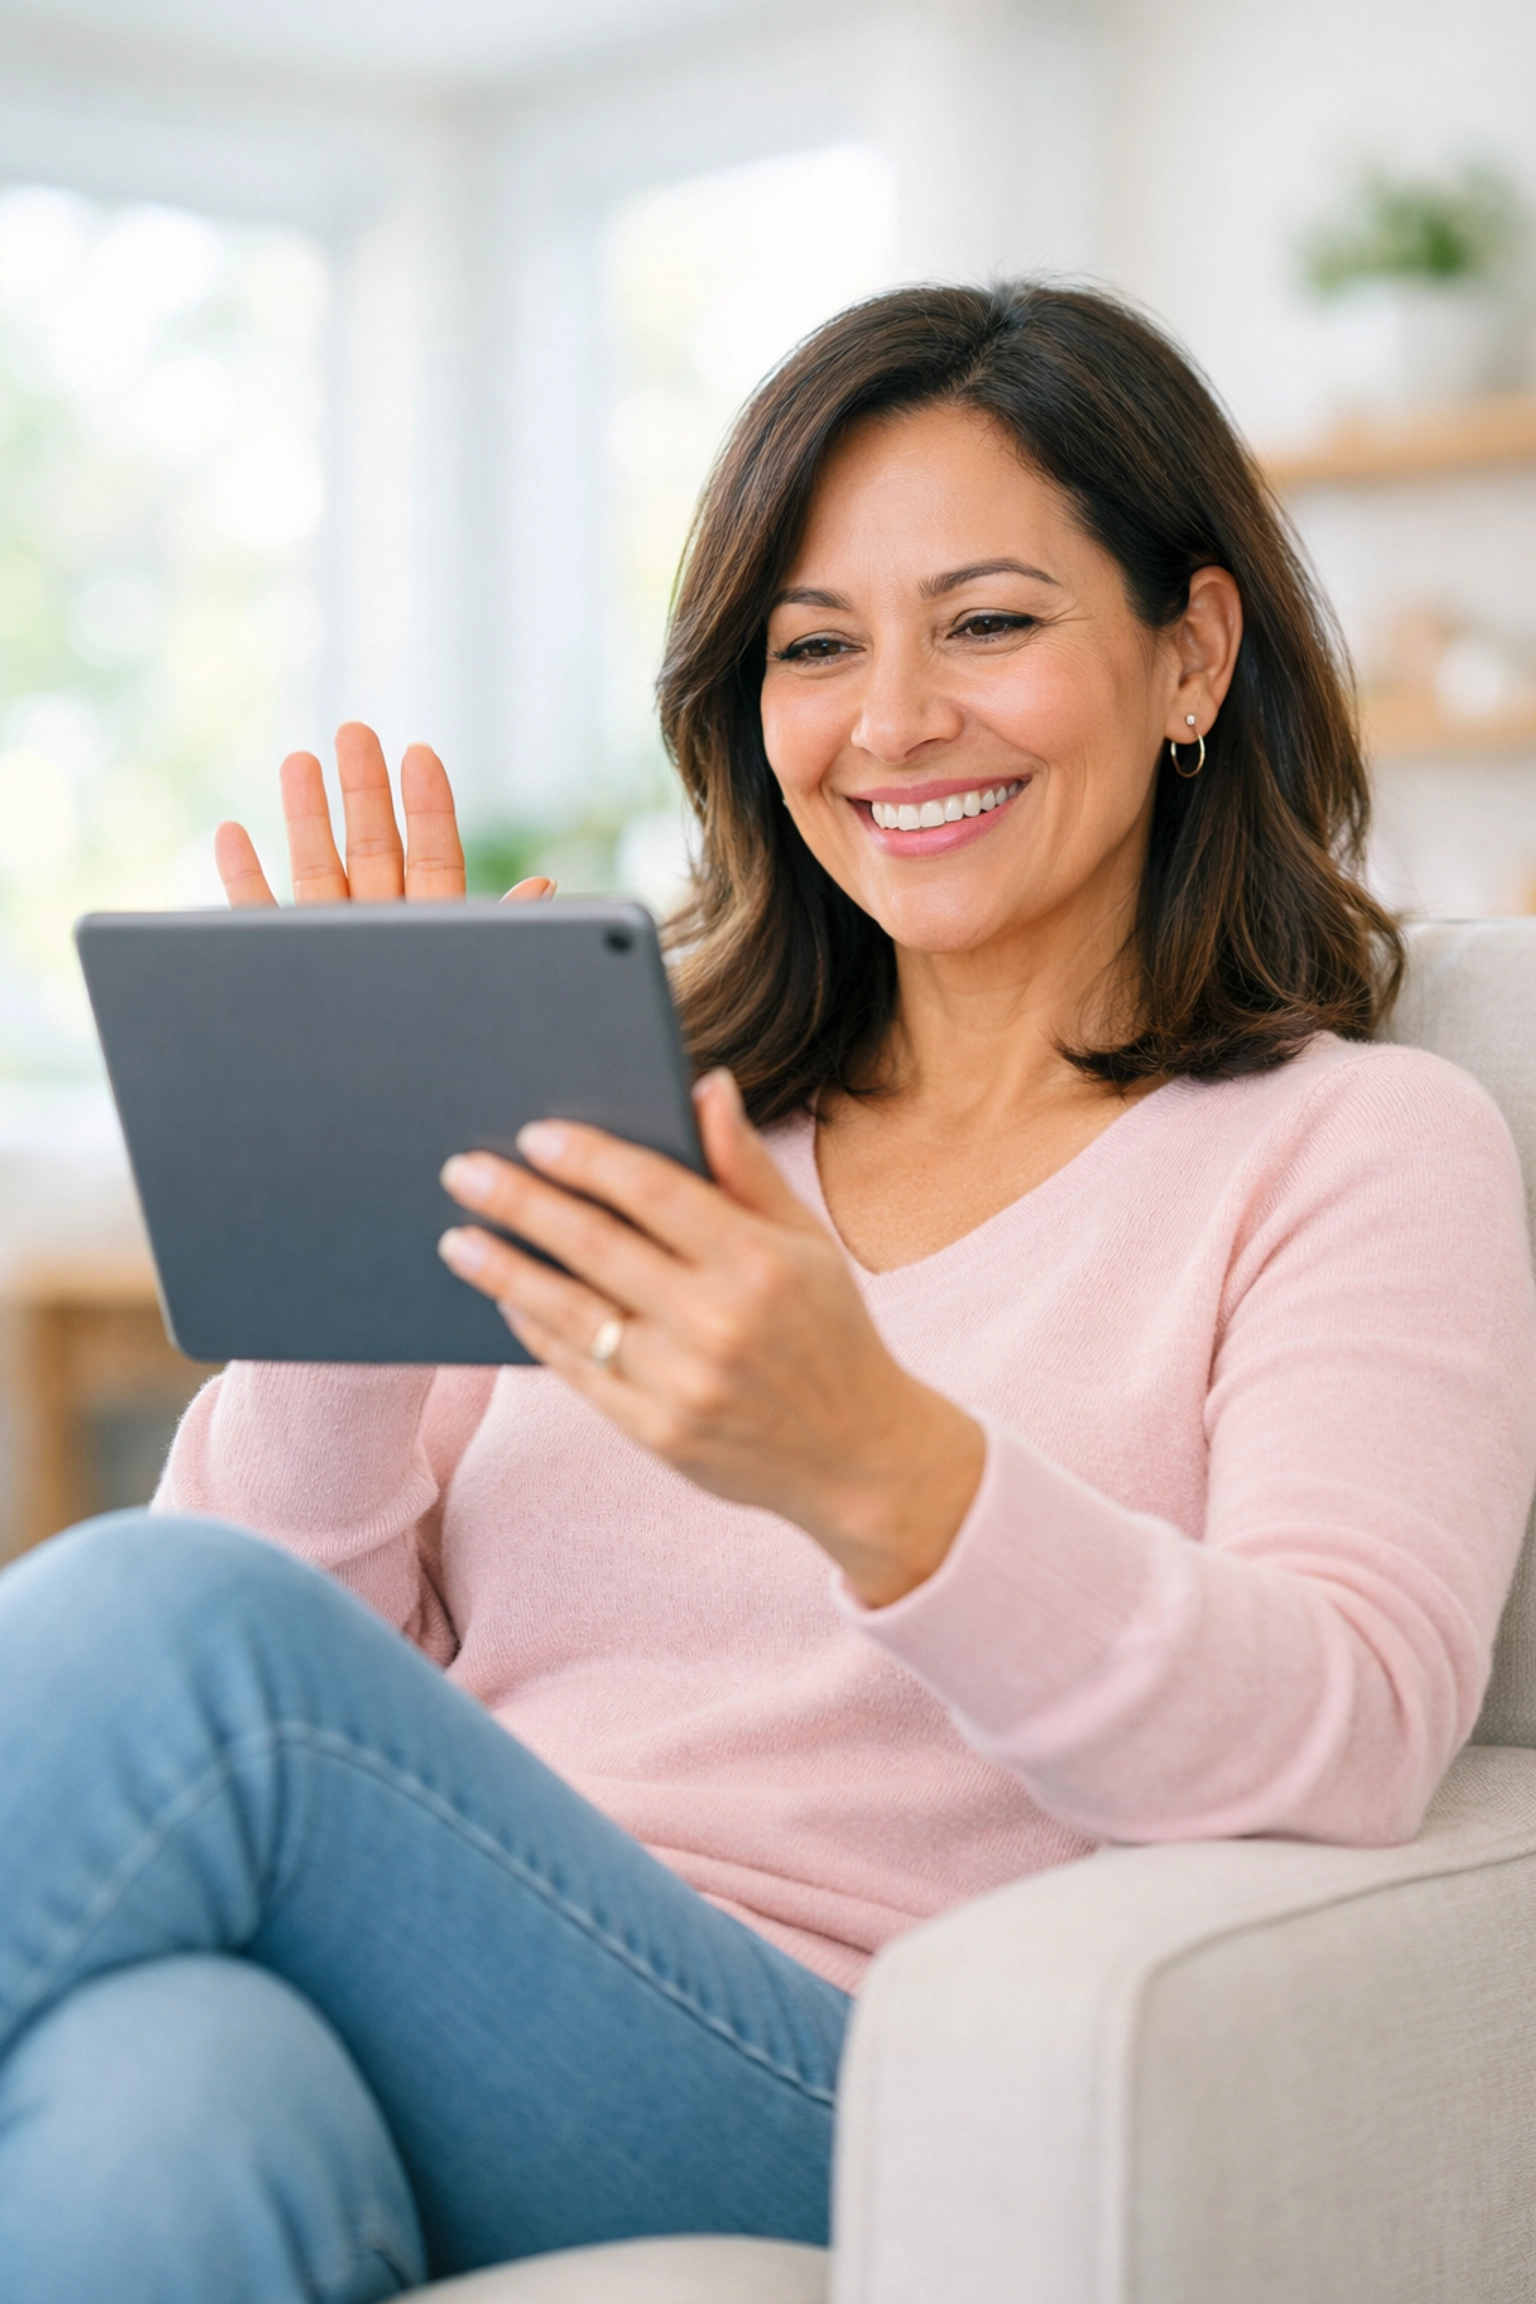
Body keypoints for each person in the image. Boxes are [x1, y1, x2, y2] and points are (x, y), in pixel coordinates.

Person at [2, 282, 1533, 2302]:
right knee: (155, 2096)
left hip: (845, 2070)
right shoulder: (636, 1114)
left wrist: (880, 1466)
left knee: (154, 1616)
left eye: (987, 622)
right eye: (816, 648)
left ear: (1191, 650)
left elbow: (1343, 1734)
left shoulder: (1351, 1144)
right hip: (447, 1991)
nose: (891, 720)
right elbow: (324, 1635)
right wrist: (356, 1253)